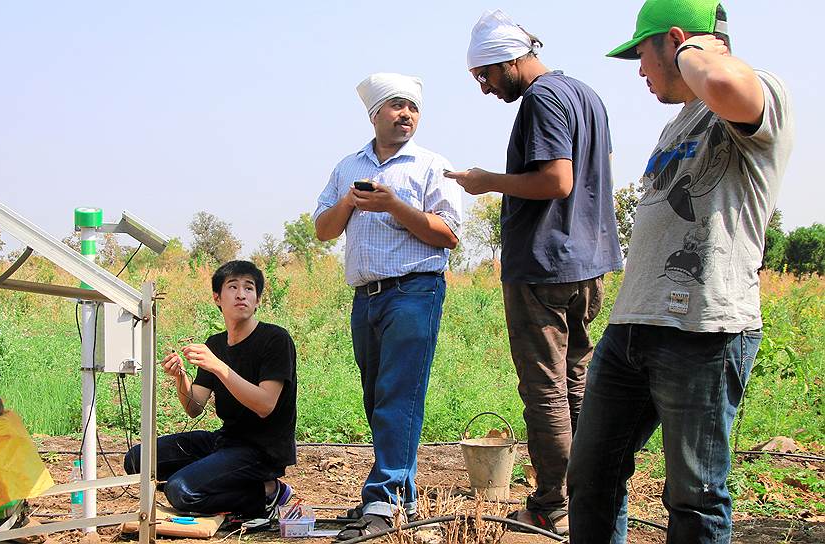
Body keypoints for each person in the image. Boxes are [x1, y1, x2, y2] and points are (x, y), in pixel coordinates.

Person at [566, 1, 794, 542]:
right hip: (632, 327)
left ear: (675, 41)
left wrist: (693, 48)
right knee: (591, 477)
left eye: (641, 54)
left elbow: (722, 80)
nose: (640, 70)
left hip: (703, 330)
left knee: (695, 496)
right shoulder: (679, 123)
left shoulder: (761, 91)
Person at [444, 9, 622, 535]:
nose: (484, 87)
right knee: (577, 383)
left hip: (545, 266)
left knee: (546, 390)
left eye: (485, 75)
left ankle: (552, 505)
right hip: (589, 262)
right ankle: (590, 495)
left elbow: (557, 181)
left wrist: (487, 181)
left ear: (509, 61)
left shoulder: (542, 99)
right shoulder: (586, 95)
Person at [313, 72, 462, 539]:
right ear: (374, 114)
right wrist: (350, 203)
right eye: (397, 106)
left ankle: (384, 499)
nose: (406, 115)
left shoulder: (431, 165)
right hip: (367, 297)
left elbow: (449, 234)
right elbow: (323, 229)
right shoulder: (348, 166)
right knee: (378, 398)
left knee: (398, 395)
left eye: (413, 107)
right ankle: (401, 500)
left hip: (415, 291)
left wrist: (394, 205)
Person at [123, 260, 297, 519]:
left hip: (263, 450)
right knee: (137, 460)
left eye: (249, 288)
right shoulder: (215, 344)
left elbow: (265, 405)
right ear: (217, 298)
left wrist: (218, 366)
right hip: (225, 441)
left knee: (180, 491)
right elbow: (194, 407)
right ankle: (214, 479)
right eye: (233, 287)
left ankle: (268, 491)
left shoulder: (275, 339)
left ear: (258, 300)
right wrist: (180, 376)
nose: (241, 294)